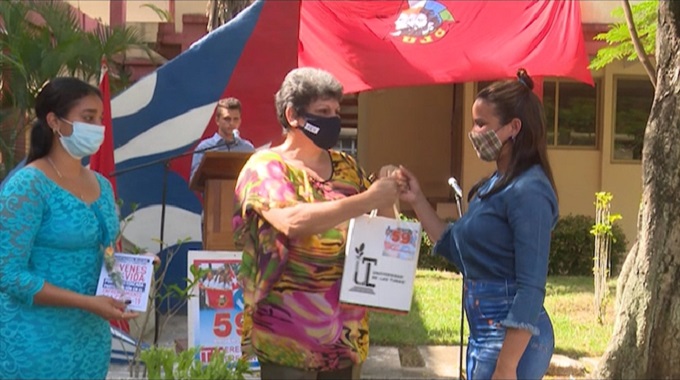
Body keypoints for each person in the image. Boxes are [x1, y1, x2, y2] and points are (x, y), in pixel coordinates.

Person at [232, 67, 401, 379]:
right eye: (323, 111)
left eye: (336, 111)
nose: (333, 119)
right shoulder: (266, 168)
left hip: (346, 338)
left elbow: (379, 234)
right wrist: (366, 200)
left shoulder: (347, 168)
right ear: (293, 115)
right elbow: (291, 220)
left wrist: (387, 195)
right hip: (286, 337)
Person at [397, 69, 558, 380]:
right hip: (483, 334)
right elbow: (454, 243)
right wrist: (417, 200)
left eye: (482, 123)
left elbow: (531, 287)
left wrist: (507, 365)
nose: (473, 132)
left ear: (514, 127)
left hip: (511, 340)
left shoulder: (530, 191)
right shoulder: (495, 185)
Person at [0, 77, 138, 380]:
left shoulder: (101, 185)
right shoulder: (28, 185)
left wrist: (136, 267)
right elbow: (9, 275)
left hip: (90, 341)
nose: (98, 127)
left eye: (100, 118)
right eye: (88, 118)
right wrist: (86, 302)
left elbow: (107, 252)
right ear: (54, 121)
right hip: (35, 343)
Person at [190, 97, 255, 181]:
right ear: (217, 120)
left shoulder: (248, 149)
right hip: (214, 193)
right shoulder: (204, 148)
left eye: (235, 119)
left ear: (240, 121)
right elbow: (194, 180)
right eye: (227, 119)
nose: (232, 123)